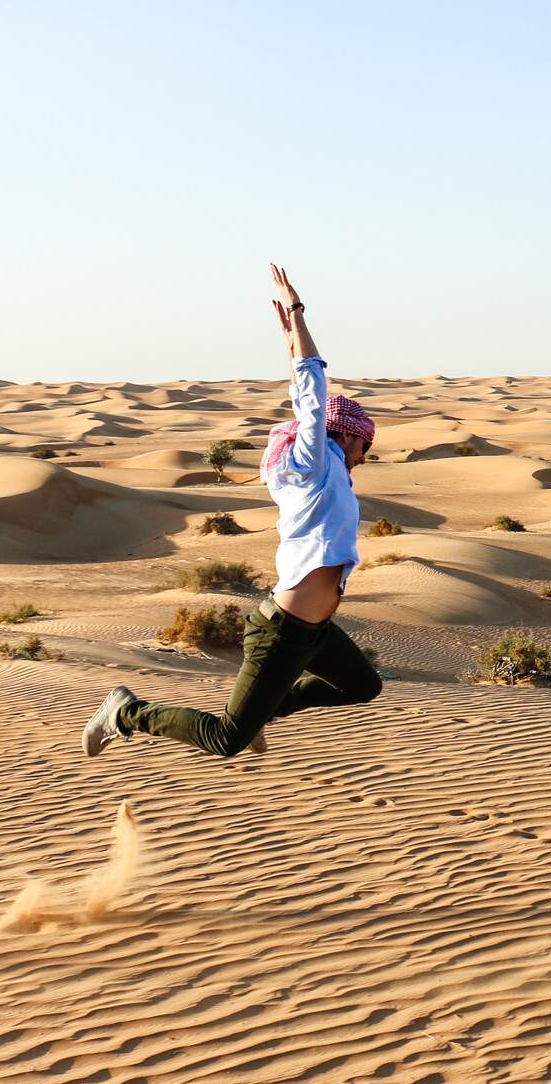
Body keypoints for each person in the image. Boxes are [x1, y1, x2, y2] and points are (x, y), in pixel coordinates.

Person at [82, 263, 383, 759]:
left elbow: (305, 395)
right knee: (226, 739)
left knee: (363, 686)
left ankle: (264, 710)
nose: (365, 455)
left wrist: (289, 345)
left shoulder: (329, 473)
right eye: (363, 444)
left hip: (315, 633)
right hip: (282, 633)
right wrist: (298, 313)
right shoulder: (312, 464)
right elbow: (311, 396)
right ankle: (123, 712)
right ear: (344, 434)